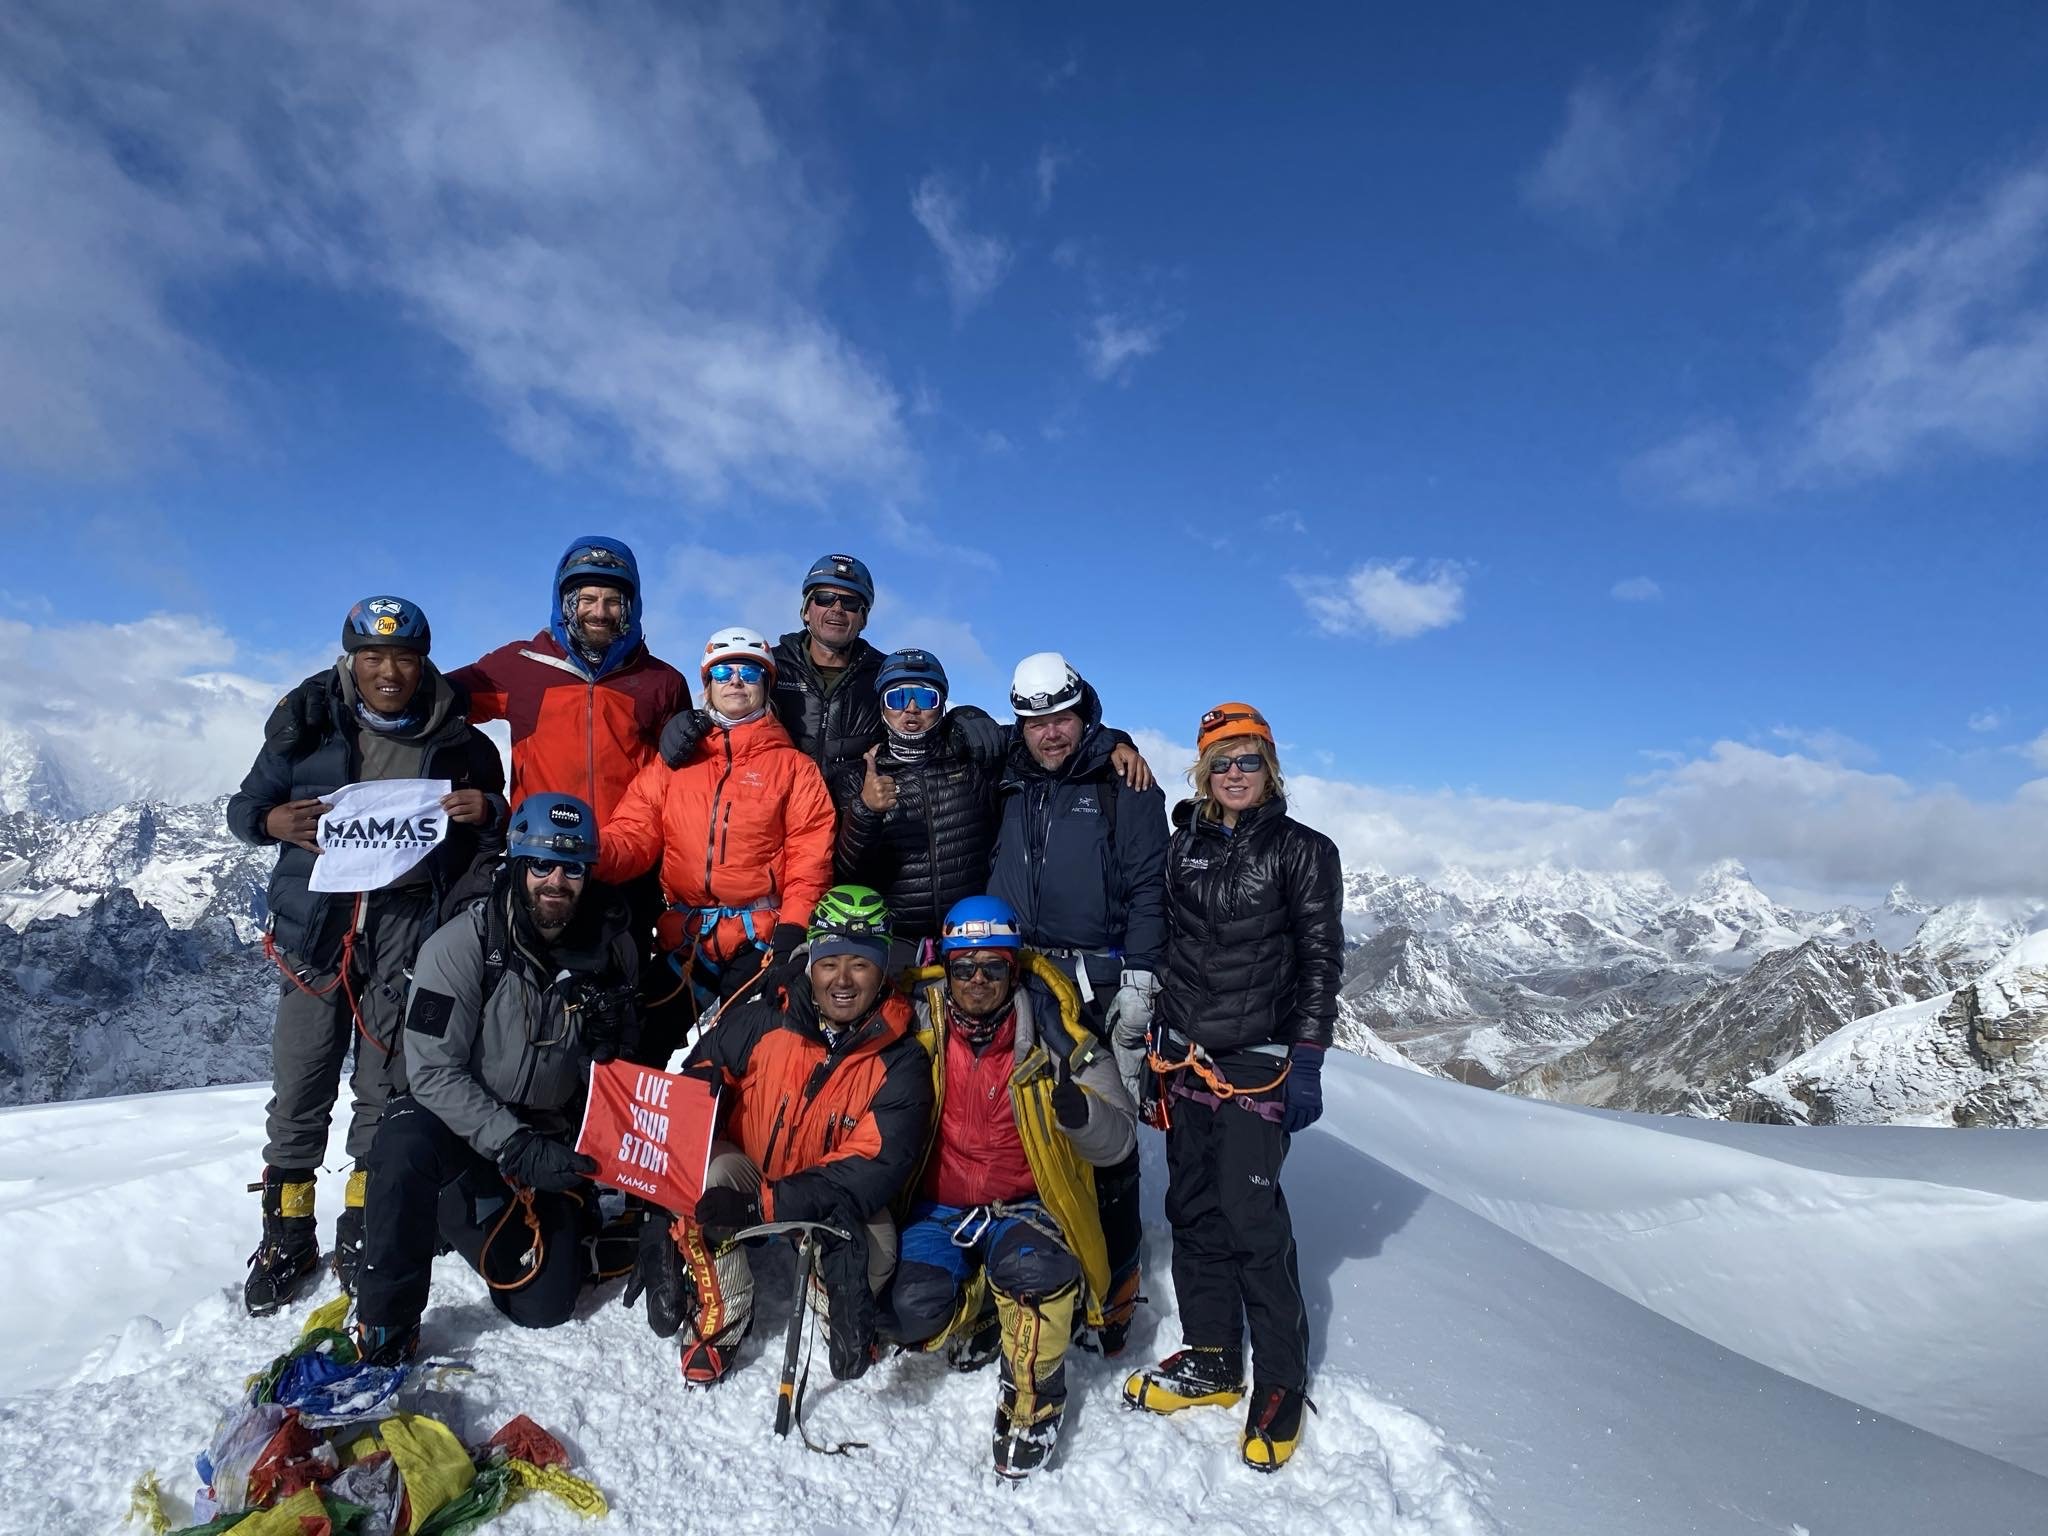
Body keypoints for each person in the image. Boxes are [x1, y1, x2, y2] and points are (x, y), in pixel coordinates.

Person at [226, 596, 506, 1313]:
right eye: (373, 656)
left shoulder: (461, 742)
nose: (388, 672)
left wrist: (490, 812)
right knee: (302, 1076)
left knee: (387, 1080)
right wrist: (270, 821)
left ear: (424, 663)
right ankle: (287, 1232)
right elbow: (243, 808)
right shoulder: (308, 723)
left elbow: (491, 833)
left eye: (403, 658)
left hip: (409, 925)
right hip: (318, 926)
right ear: (351, 660)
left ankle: (365, 1222)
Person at [1121, 703, 1343, 1474]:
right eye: (1222, 761)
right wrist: (1158, 1037)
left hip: (1258, 1058)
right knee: (1192, 1206)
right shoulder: (1185, 845)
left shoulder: (1303, 851)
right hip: (1185, 1053)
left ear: (1269, 767)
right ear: (1204, 771)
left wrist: (1307, 1058)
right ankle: (1213, 1355)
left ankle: (1279, 1375)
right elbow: (1172, 944)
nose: (1235, 773)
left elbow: (1320, 960)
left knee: (1250, 1214)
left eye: (1248, 759)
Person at [351, 794, 642, 1364]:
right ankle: (387, 1320)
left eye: (572, 868)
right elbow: (432, 1072)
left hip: (548, 1136)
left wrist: (610, 1049)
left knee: (545, 1305)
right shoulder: (462, 946)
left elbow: (620, 1076)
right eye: (542, 864)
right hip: (461, 1128)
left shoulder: (613, 951)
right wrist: (514, 1143)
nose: (556, 881)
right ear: (517, 863)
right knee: (404, 1138)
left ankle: (468, 1213)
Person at [629, 886, 934, 1387]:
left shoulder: (901, 1060)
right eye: (829, 962)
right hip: (749, 1171)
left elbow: (870, 1172)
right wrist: (659, 1203)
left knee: (878, 1249)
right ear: (810, 962)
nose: (842, 979)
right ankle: (725, 1311)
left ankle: (825, 1291)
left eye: (860, 964)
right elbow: (696, 1083)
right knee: (700, 1179)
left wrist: (768, 1206)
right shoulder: (765, 1016)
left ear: (882, 970)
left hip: (826, 1198)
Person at [884, 896, 1136, 1479]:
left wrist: (1084, 1117)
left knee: (1036, 1278)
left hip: (1024, 1204)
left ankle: (1034, 1399)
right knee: (907, 1311)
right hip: (939, 1206)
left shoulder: (1055, 1029)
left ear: (1013, 969)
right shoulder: (918, 1022)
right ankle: (982, 1310)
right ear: (946, 967)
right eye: (964, 967)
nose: (977, 980)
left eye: (993, 967)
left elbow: (1120, 1138)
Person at [985, 650, 1168, 1354]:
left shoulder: (1124, 784)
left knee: (1106, 1128)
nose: (1050, 733)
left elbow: (1149, 885)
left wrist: (1142, 977)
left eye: (1061, 717)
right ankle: (1034, 1263)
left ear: (1083, 711)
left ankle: (1116, 1284)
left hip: (1096, 984)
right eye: (1035, 722)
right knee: (1018, 1120)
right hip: (1018, 977)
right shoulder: (1006, 777)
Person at [597, 626, 837, 1053]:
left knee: (739, 1058)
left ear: (766, 686)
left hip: (759, 941)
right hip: (686, 937)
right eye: (723, 672)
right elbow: (633, 834)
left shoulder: (795, 769)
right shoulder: (673, 764)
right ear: (707, 685)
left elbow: (810, 860)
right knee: (635, 1043)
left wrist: (794, 930)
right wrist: (584, 857)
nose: (736, 681)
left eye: (750, 672)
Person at [446, 536, 689, 825]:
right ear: (566, 602)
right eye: (587, 600)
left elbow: (686, 769)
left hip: (632, 845)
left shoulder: (662, 681)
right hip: (540, 843)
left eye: (613, 601)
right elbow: (433, 704)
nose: (599, 613)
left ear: (630, 606)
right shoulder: (520, 665)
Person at [769, 552, 885, 779]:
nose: (837, 608)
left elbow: (923, 719)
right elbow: (726, 711)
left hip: (855, 802)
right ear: (806, 611)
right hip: (780, 801)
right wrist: (696, 723)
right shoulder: (768, 667)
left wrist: (957, 723)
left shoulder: (886, 677)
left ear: (863, 618)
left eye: (850, 603)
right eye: (824, 598)